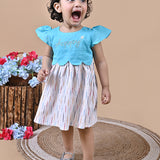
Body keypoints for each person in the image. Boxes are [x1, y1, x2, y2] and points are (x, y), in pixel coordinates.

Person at [34, 0, 112, 159]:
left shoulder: (91, 34)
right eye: (71, 0)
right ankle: (68, 151)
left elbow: (101, 61)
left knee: (85, 124)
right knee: (65, 119)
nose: (78, 4)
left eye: (82, 1)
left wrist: (106, 86)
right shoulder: (53, 34)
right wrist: (44, 68)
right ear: (58, 7)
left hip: (83, 87)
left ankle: (88, 157)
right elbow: (48, 56)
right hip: (61, 85)